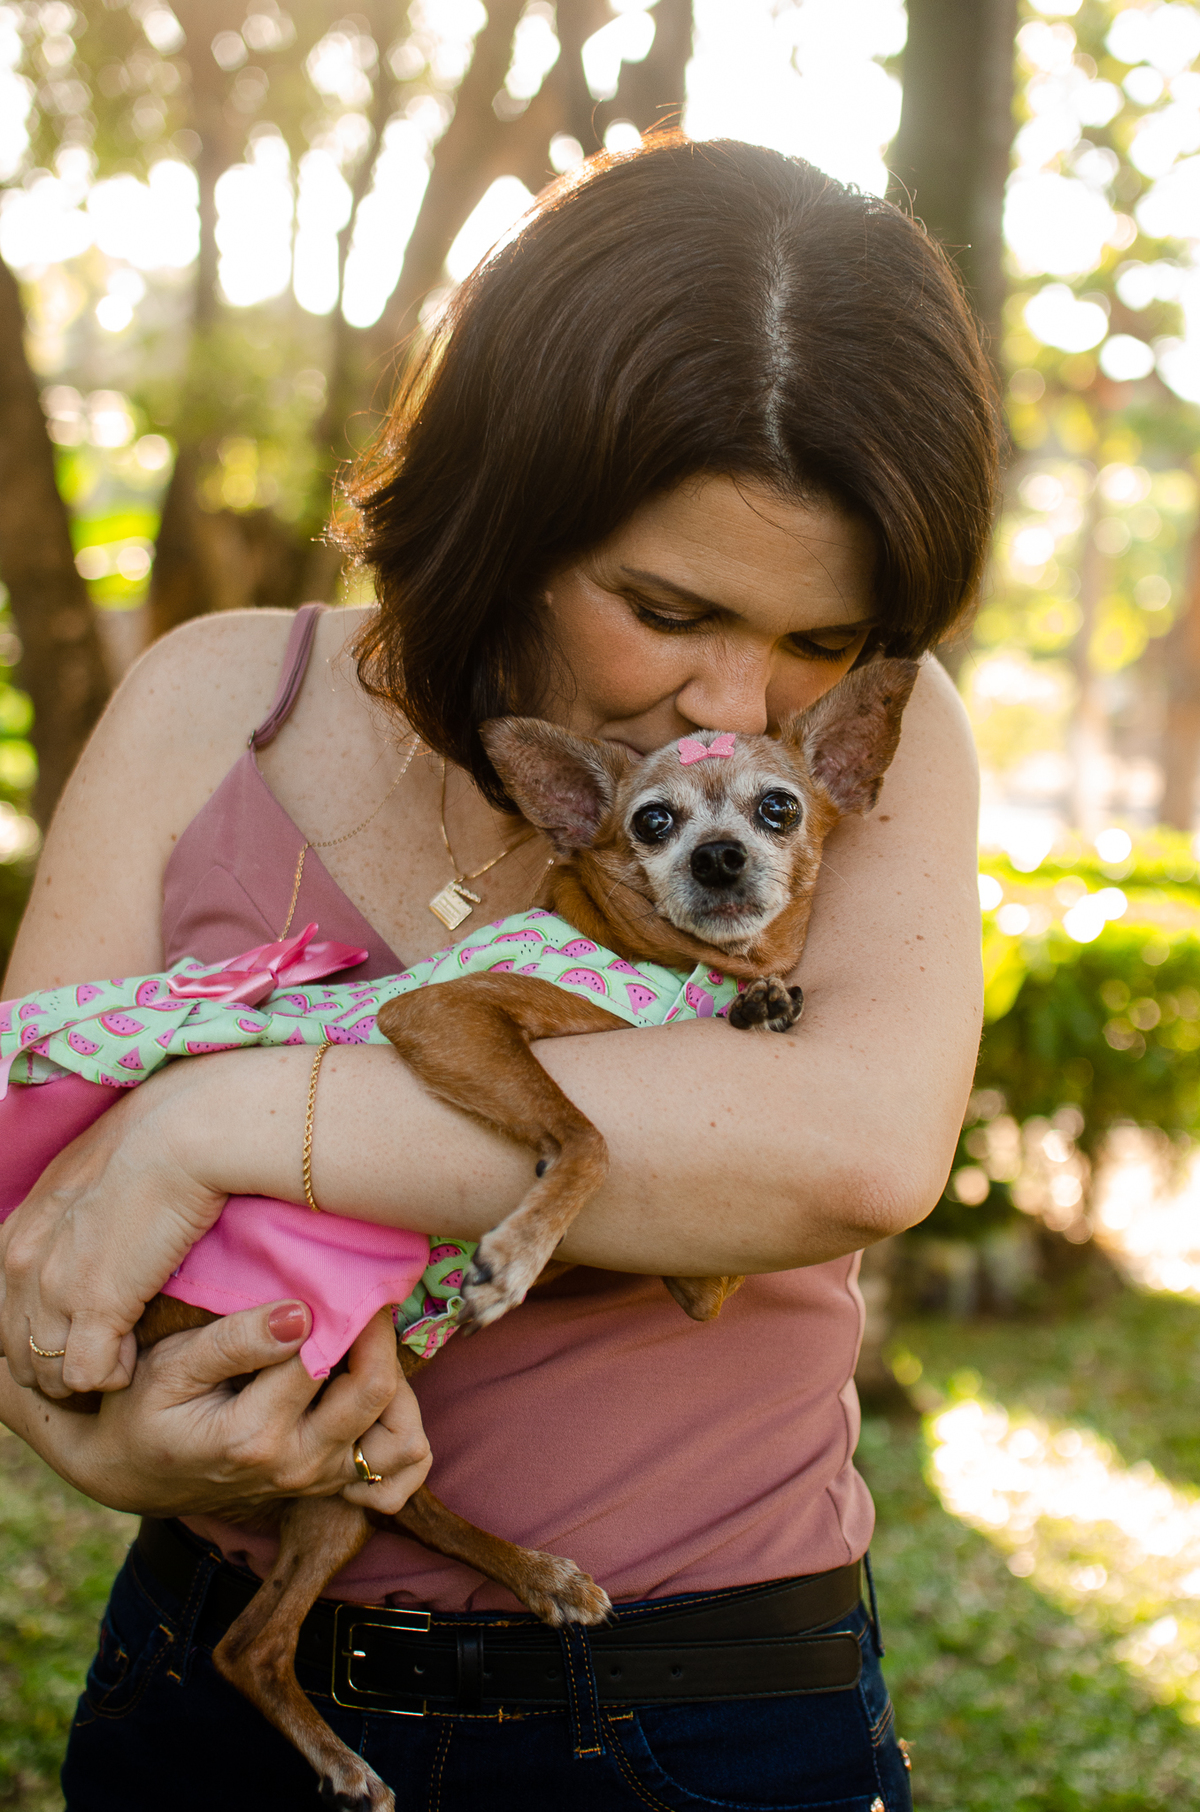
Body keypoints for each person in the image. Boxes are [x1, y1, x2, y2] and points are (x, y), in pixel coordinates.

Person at [0, 136, 993, 1810]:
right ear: (514, 515)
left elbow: (851, 1149)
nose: (740, 708)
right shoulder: (207, 704)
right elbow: (32, 1215)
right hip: (215, 1684)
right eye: (670, 608)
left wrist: (202, 1127)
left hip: (701, 1710)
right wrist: (90, 1434)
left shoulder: (867, 748)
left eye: (818, 639)